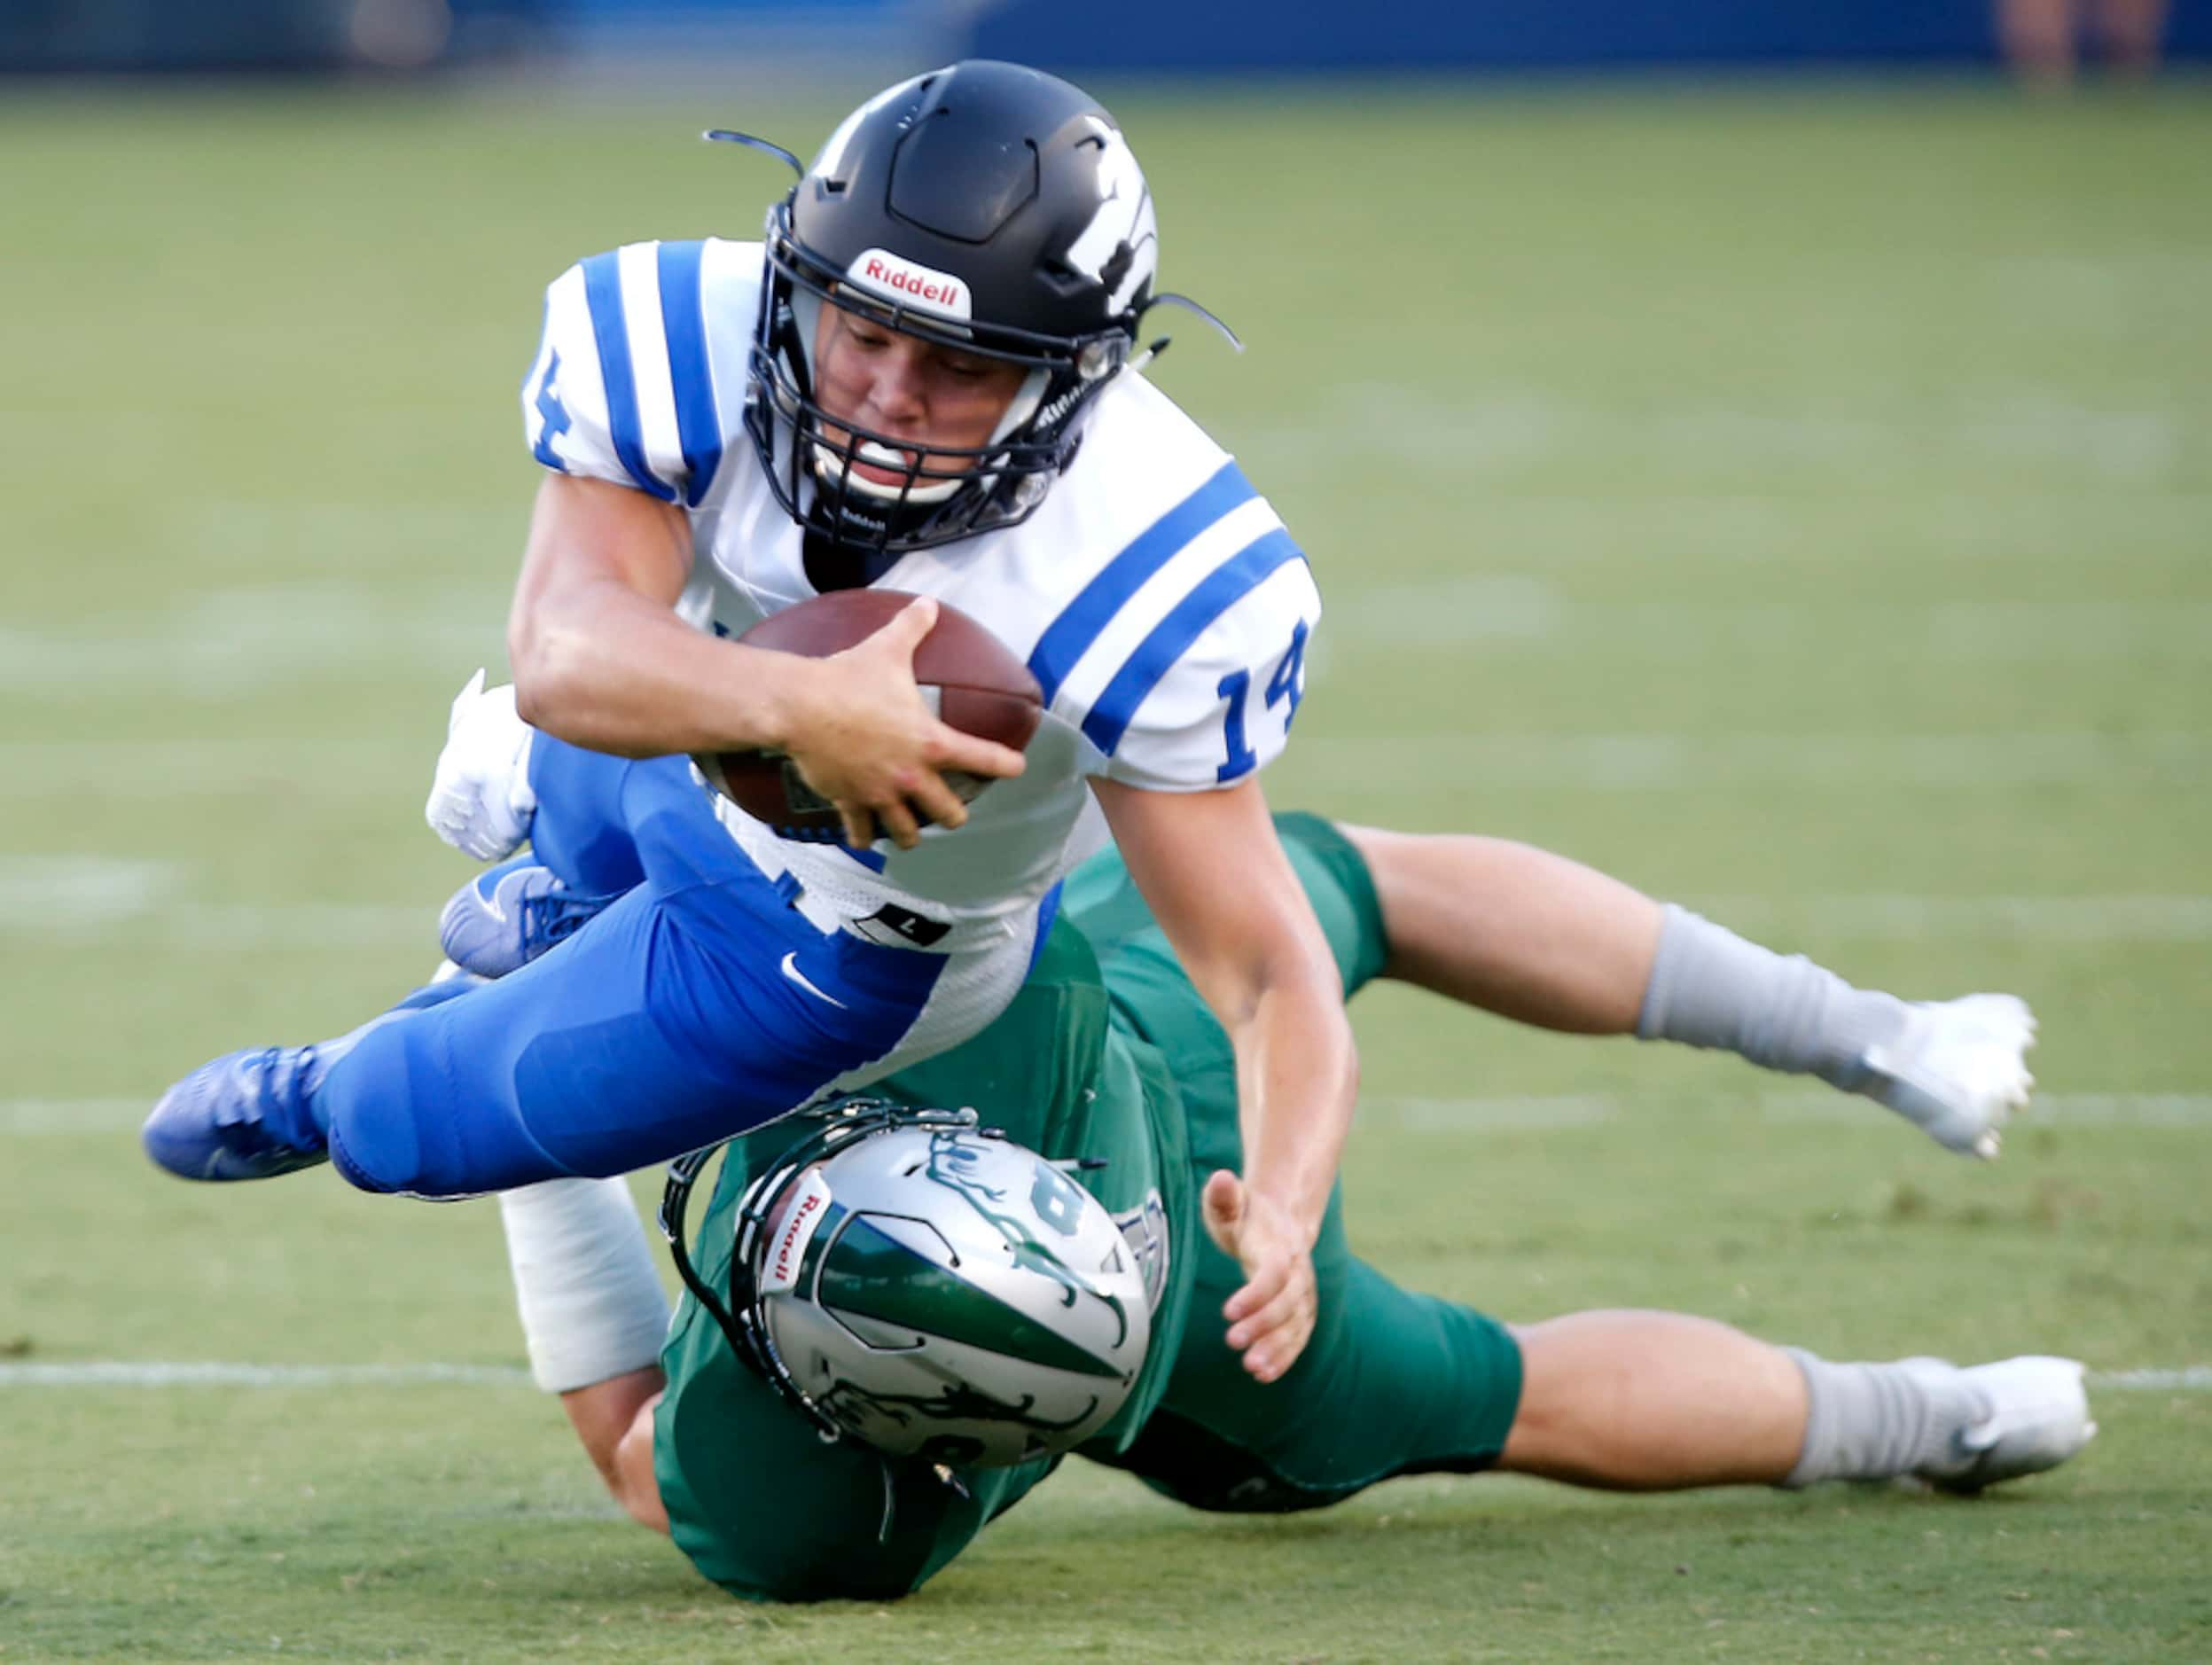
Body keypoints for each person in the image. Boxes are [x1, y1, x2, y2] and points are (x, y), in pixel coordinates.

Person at [141, 61, 1354, 1382]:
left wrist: (1286, 1191)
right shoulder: (683, 336)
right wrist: (805, 706)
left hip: (838, 947)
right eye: (860, 331)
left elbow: (1264, 969)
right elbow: (562, 651)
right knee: (545, 735)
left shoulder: (1150, 566)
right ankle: (562, 872)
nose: (889, 393)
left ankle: (334, 1079)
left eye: (956, 364)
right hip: (671, 750)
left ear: (1071, 379)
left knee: (403, 1118)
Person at [489, 808, 2078, 1604]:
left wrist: (520, 1081)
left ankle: (1935, 1399)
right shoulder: (1004, 1014)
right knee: (1350, 885)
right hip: (1211, 1231)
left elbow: (635, 1451)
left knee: (1495, 1388)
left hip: (1221, 1320)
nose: (766, 1205)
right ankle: (1878, 1075)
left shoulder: (799, 1492)